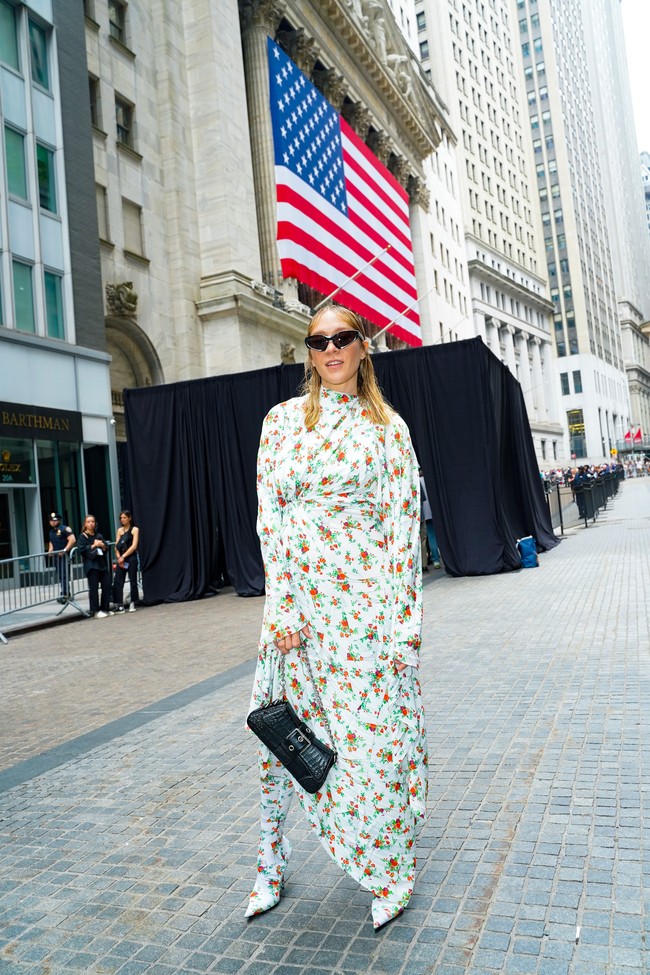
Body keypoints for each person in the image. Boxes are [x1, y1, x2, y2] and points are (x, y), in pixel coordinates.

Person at [246, 304, 427, 930]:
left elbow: (402, 534)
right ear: (308, 351)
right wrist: (282, 608)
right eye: (318, 340)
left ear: (362, 347)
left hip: (364, 619)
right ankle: (270, 863)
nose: (330, 350)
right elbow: (270, 520)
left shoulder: (388, 430)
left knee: (373, 746)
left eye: (341, 339)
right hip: (297, 616)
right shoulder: (282, 421)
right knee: (281, 743)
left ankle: (391, 870)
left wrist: (404, 630)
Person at [77, 514, 113, 618]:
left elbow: (106, 547)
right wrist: (94, 545)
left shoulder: (99, 535)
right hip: (91, 566)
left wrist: (102, 545)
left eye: (92, 521)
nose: (91, 524)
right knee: (94, 588)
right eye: (88, 522)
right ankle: (95, 610)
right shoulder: (82, 536)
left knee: (106, 585)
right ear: (85, 524)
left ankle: (105, 608)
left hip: (102, 564)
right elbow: (82, 549)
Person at [112, 510, 140, 612]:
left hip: (130, 557)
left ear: (129, 518)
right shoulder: (119, 530)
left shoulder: (134, 530)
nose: (122, 520)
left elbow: (134, 546)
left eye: (124, 518)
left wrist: (124, 556)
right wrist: (119, 557)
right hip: (121, 559)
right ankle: (119, 603)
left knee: (133, 580)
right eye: (121, 518)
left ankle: (133, 602)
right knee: (118, 581)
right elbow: (116, 546)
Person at [47, 512, 75, 603]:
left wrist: (64, 550)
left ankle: (65, 594)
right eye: (51, 520)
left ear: (58, 520)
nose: (53, 522)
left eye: (55, 520)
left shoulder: (64, 529)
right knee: (60, 575)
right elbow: (51, 542)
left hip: (64, 556)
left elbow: (72, 539)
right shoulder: (51, 532)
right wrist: (50, 550)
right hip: (56, 557)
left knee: (64, 575)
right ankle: (65, 593)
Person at [419, 471, 441, 569]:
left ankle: (436, 560)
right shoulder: (432, 480)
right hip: (436, 511)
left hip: (425, 513)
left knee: (431, 537)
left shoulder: (417, 481)